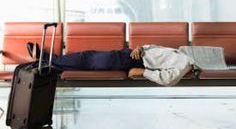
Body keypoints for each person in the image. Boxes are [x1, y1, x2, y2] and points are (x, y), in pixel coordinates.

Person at [27, 42, 194, 86]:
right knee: (88, 60)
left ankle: (46, 58)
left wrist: (142, 72)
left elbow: (168, 79)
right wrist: (141, 47)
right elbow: (154, 48)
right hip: (130, 54)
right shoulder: (180, 52)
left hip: (132, 62)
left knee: (88, 58)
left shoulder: (185, 63)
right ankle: (51, 64)